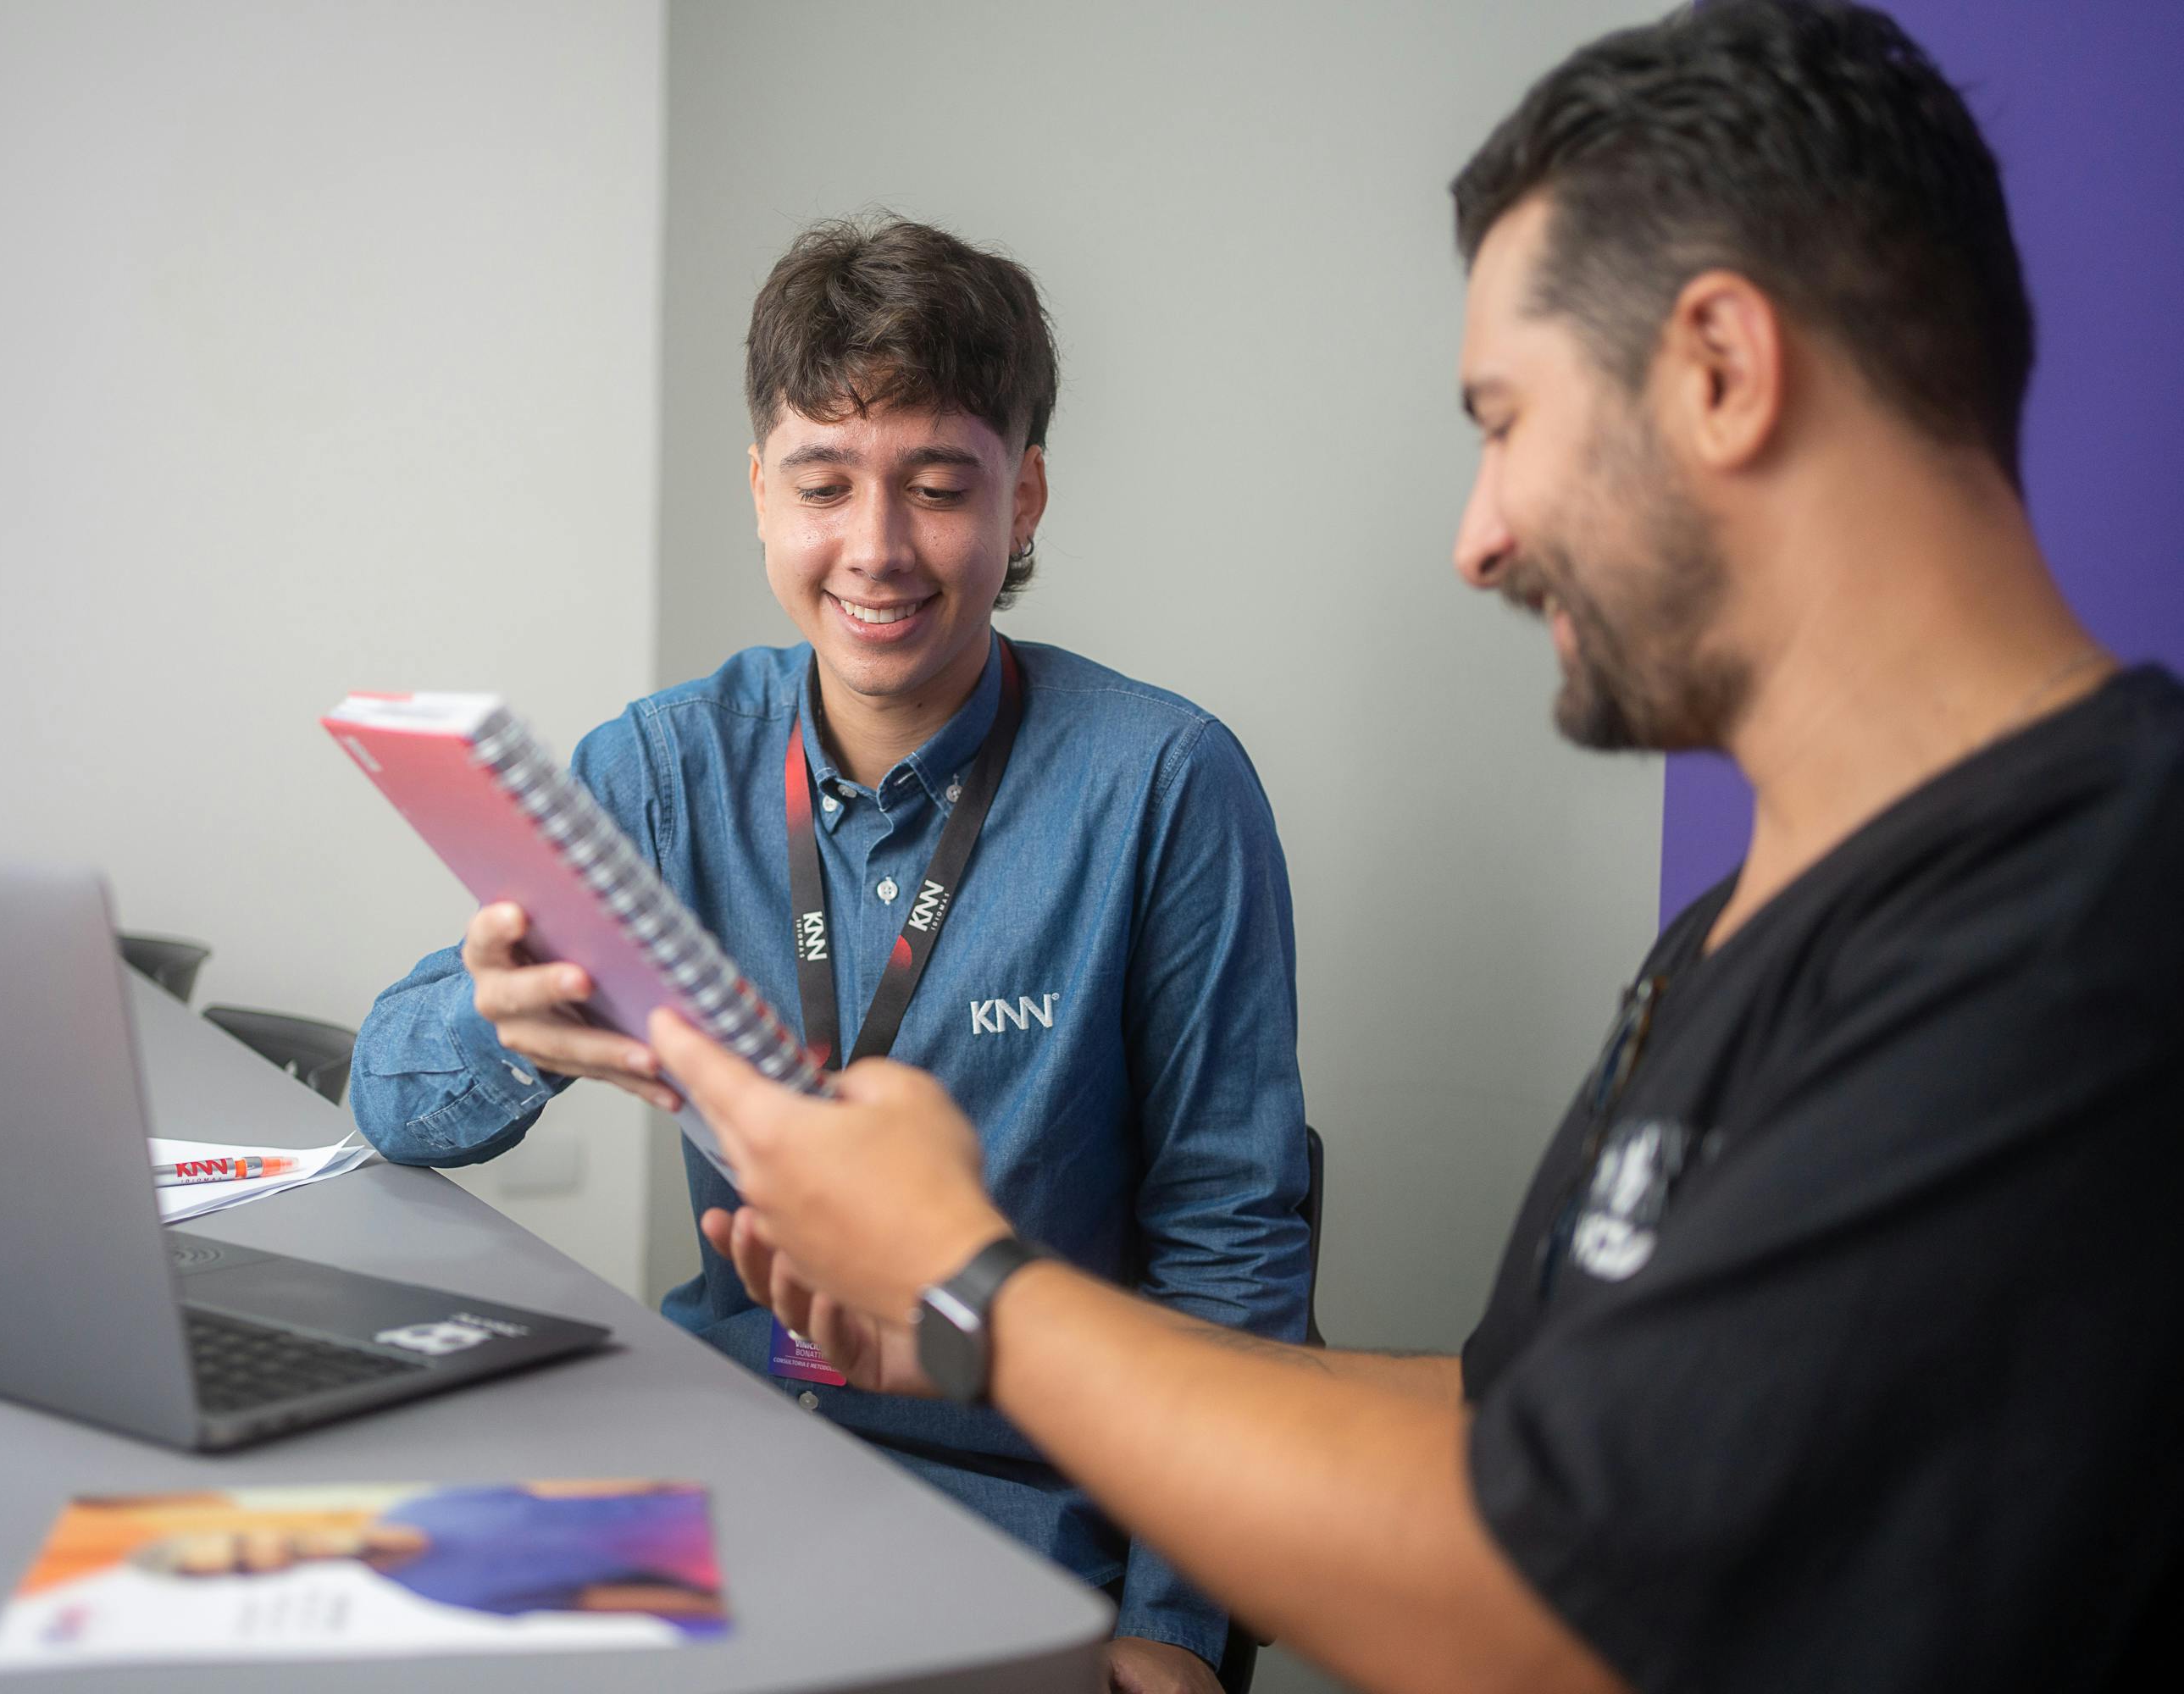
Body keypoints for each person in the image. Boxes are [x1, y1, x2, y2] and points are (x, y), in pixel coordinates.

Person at [645, 4, 2184, 1691]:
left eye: (1506, 417)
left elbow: (1559, 1600)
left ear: (1725, 372)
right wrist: (992, 1335)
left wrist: (979, 1281)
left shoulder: (2086, 926)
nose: (1479, 535)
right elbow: (1518, 1424)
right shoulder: (1749, 937)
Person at [350, 215, 1315, 1691]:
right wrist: (503, 1025)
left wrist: (1175, 1628)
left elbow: (1231, 1237)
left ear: (1026, 497)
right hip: (723, 1458)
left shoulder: (1163, 783)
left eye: (939, 487)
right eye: (822, 485)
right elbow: (386, 1097)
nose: (876, 550)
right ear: (758, 492)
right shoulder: (671, 766)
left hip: (1028, 1515)